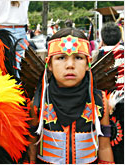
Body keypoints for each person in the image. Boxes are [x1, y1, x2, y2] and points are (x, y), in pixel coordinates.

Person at [28, 28, 114, 164]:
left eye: (78, 58)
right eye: (61, 58)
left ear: (88, 63)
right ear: (49, 64)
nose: (70, 65)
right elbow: (31, 146)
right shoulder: (39, 102)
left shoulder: (99, 101)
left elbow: (104, 147)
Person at [98, 22, 124, 164]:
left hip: (106, 102)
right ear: (120, 38)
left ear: (102, 39)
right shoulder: (123, 51)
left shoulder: (99, 56)